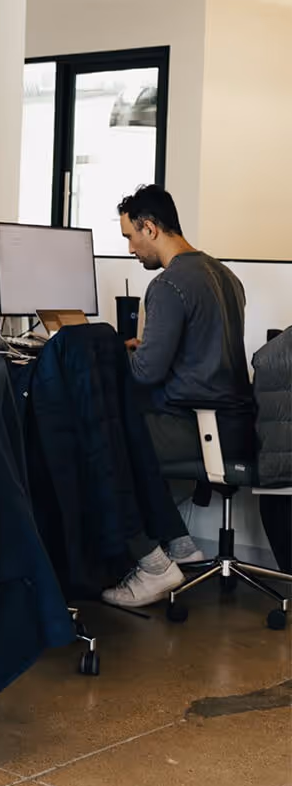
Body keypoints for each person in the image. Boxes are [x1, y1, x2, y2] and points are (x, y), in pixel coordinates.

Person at [100, 184, 252, 607]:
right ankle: (182, 547)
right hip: (235, 426)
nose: (131, 248)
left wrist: (109, 358)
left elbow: (147, 373)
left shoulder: (169, 284)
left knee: (102, 441)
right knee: (129, 423)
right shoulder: (224, 275)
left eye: (131, 236)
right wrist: (142, 348)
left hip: (200, 429)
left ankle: (152, 565)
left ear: (150, 228)